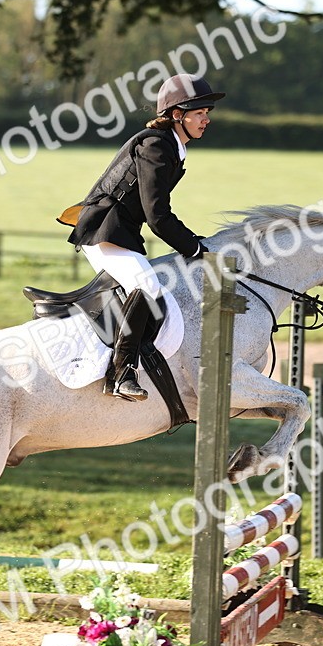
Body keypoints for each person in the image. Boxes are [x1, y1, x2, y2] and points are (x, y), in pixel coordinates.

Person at [59, 73, 223, 401]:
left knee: (149, 286)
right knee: (146, 286)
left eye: (207, 112)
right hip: (104, 230)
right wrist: (195, 248)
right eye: (199, 112)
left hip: (119, 231)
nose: (206, 119)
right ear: (178, 115)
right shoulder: (157, 146)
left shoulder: (171, 146)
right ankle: (122, 374)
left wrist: (194, 242)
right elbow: (158, 217)